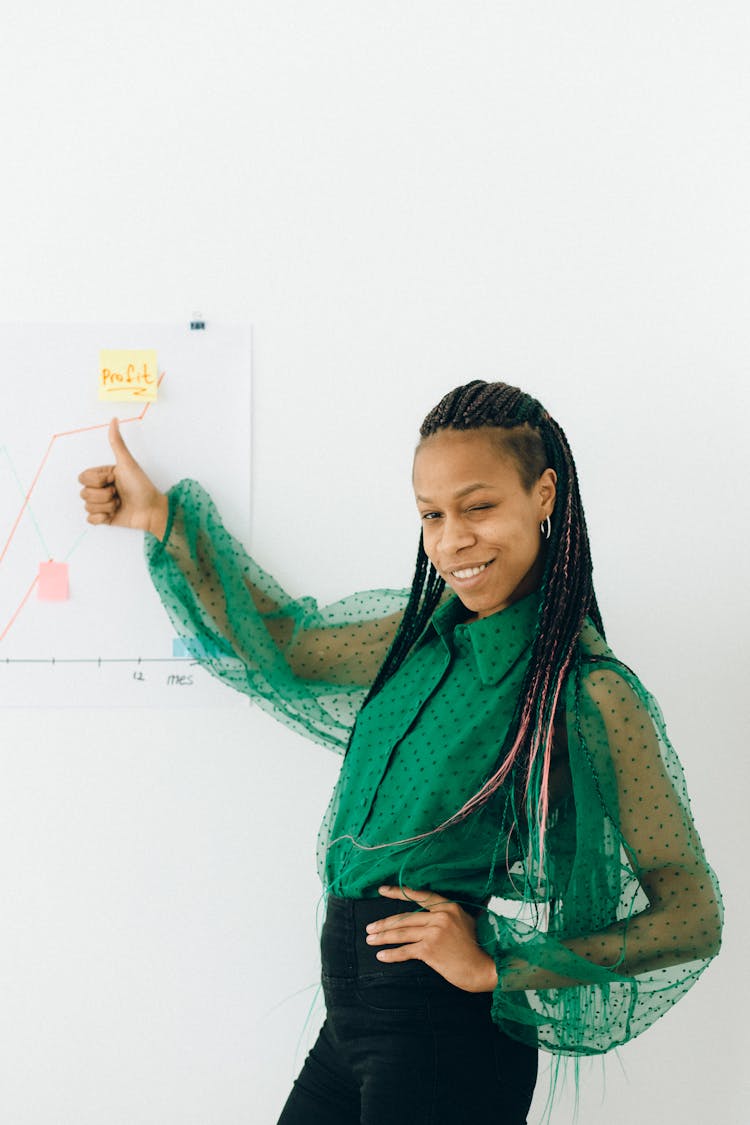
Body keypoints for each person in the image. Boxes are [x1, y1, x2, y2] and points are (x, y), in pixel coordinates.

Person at [78, 380, 722, 1124]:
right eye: (431, 514)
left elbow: (692, 913)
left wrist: (500, 967)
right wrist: (163, 521)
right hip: (352, 1019)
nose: (453, 540)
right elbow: (286, 646)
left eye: (478, 507)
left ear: (544, 495)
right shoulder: (416, 638)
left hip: (446, 1034)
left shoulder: (589, 690)